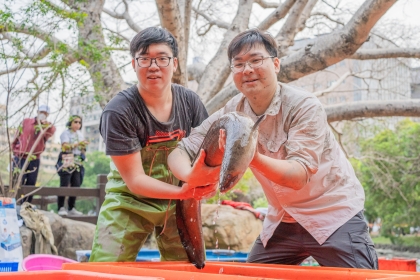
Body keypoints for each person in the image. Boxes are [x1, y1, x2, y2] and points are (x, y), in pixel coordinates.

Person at [168, 28, 378, 269]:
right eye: (238, 64)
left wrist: (251, 157)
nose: (247, 70)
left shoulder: (304, 106)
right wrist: (190, 175)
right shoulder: (231, 110)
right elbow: (181, 150)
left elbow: (299, 175)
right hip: (282, 219)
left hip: (333, 215)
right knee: (251, 275)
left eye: (256, 60)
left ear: (276, 64)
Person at [89, 27, 215, 262]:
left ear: (174, 63)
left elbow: (205, 154)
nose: (153, 65)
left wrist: (204, 184)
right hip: (129, 200)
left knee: (189, 269)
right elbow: (135, 180)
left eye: (162, 58)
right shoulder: (119, 110)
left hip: (180, 202)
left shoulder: (190, 102)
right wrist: (182, 191)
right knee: (105, 270)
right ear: (133, 64)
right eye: (144, 59)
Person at [12, 104, 56, 203]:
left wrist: (44, 126)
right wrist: (14, 151)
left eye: (45, 113)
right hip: (21, 156)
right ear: (37, 112)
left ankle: (27, 203)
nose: (43, 114)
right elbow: (17, 136)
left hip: (34, 158)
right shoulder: (26, 122)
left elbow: (51, 132)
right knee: (19, 180)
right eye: (41, 112)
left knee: (31, 182)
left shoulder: (48, 126)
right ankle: (16, 202)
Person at [56, 115, 89, 216]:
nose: (77, 124)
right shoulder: (65, 133)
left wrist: (83, 152)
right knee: (65, 183)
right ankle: (61, 207)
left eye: (79, 122)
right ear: (70, 122)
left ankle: (71, 207)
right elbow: (65, 147)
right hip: (68, 157)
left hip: (78, 159)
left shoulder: (80, 134)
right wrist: (78, 144)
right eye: (75, 122)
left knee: (76, 183)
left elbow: (82, 148)